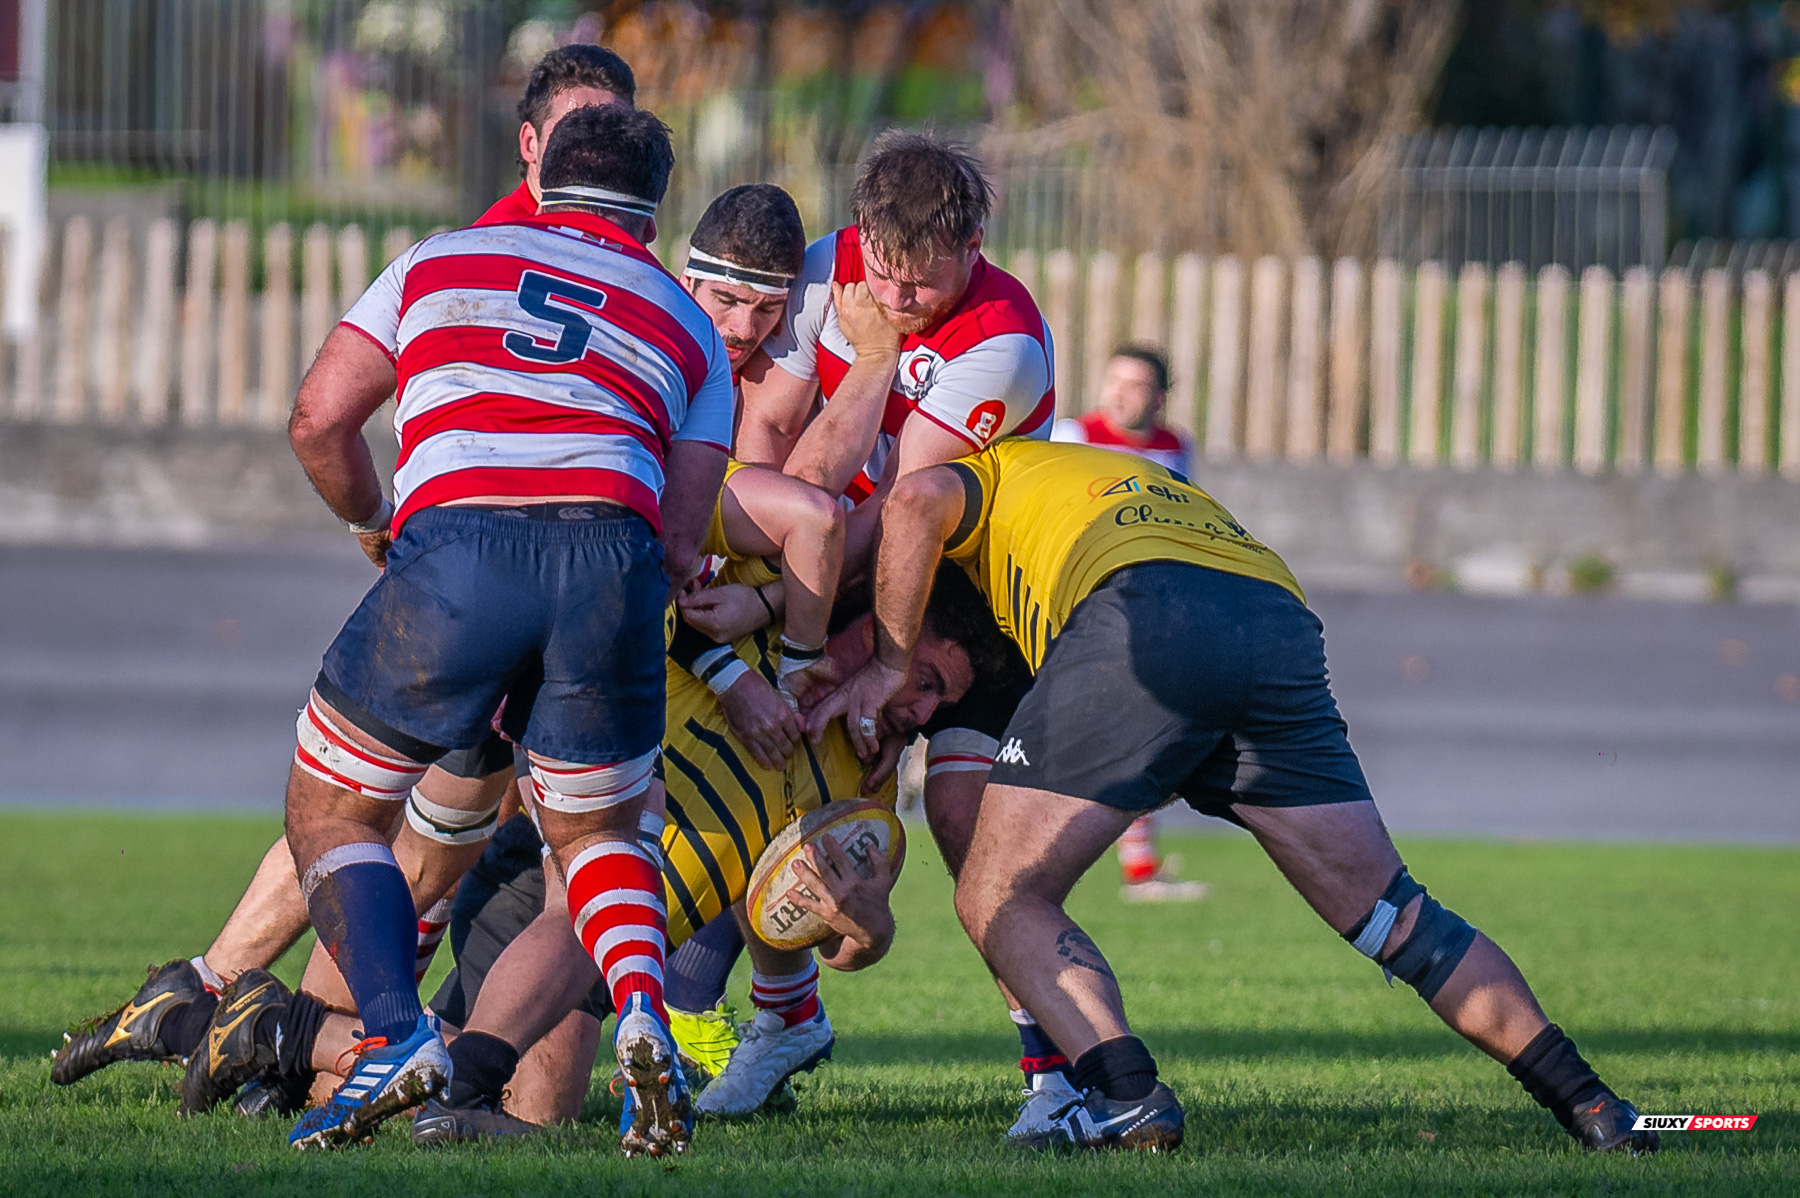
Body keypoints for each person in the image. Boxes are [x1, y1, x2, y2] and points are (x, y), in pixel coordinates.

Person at [812, 438, 1660, 1156]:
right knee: (1392, 915)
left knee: (999, 893)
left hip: (1150, 608)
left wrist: (878, 661)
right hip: (1272, 614)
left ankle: (1125, 1095)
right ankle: (1591, 1106)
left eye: (921, 683)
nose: (916, 710)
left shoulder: (983, 475)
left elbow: (916, 498)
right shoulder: (1090, 490)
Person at [278, 103, 731, 1157]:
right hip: (611, 560)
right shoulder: (683, 315)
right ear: (652, 218)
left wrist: (371, 523)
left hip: (461, 549)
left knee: (334, 810)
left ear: (541, 174)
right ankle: (647, 1020)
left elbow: (318, 418)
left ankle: (393, 1034)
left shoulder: (440, 261)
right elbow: (682, 532)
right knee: (601, 840)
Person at [1052, 344, 1200, 902]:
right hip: (1080, 604)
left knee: (1142, 729)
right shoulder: (1074, 437)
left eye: (1135, 384)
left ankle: (1138, 867)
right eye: (1114, 380)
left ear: (1160, 398)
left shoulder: (1174, 448)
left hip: (1149, 611)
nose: (1120, 393)